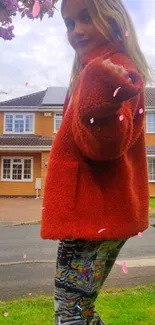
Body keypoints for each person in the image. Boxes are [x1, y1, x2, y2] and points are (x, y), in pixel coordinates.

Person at [40, 0, 155, 324]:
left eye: (86, 17)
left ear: (112, 17)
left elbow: (106, 145)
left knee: (70, 314)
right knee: (80, 311)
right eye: (68, 23)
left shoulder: (114, 70)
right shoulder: (97, 70)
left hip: (92, 215)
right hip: (97, 213)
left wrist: (97, 103)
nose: (76, 30)